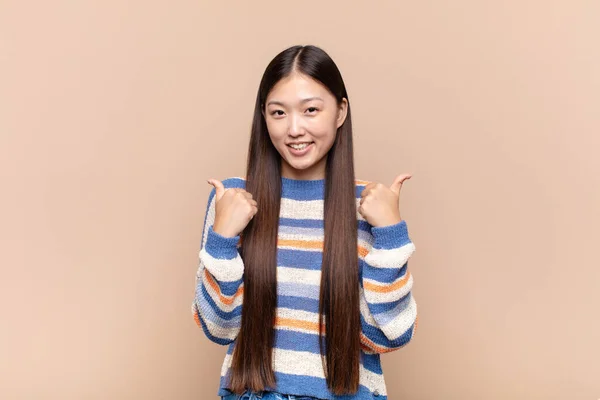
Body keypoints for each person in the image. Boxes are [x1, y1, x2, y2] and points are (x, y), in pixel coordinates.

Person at [191, 44, 418, 400]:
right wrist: (221, 239)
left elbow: (388, 335)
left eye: (311, 110)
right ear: (263, 117)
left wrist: (391, 235)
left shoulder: (371, 205)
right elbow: (218, 327)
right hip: (253, 392)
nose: (294, 128)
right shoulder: (233, 200)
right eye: (278, 112)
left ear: (340, 111)